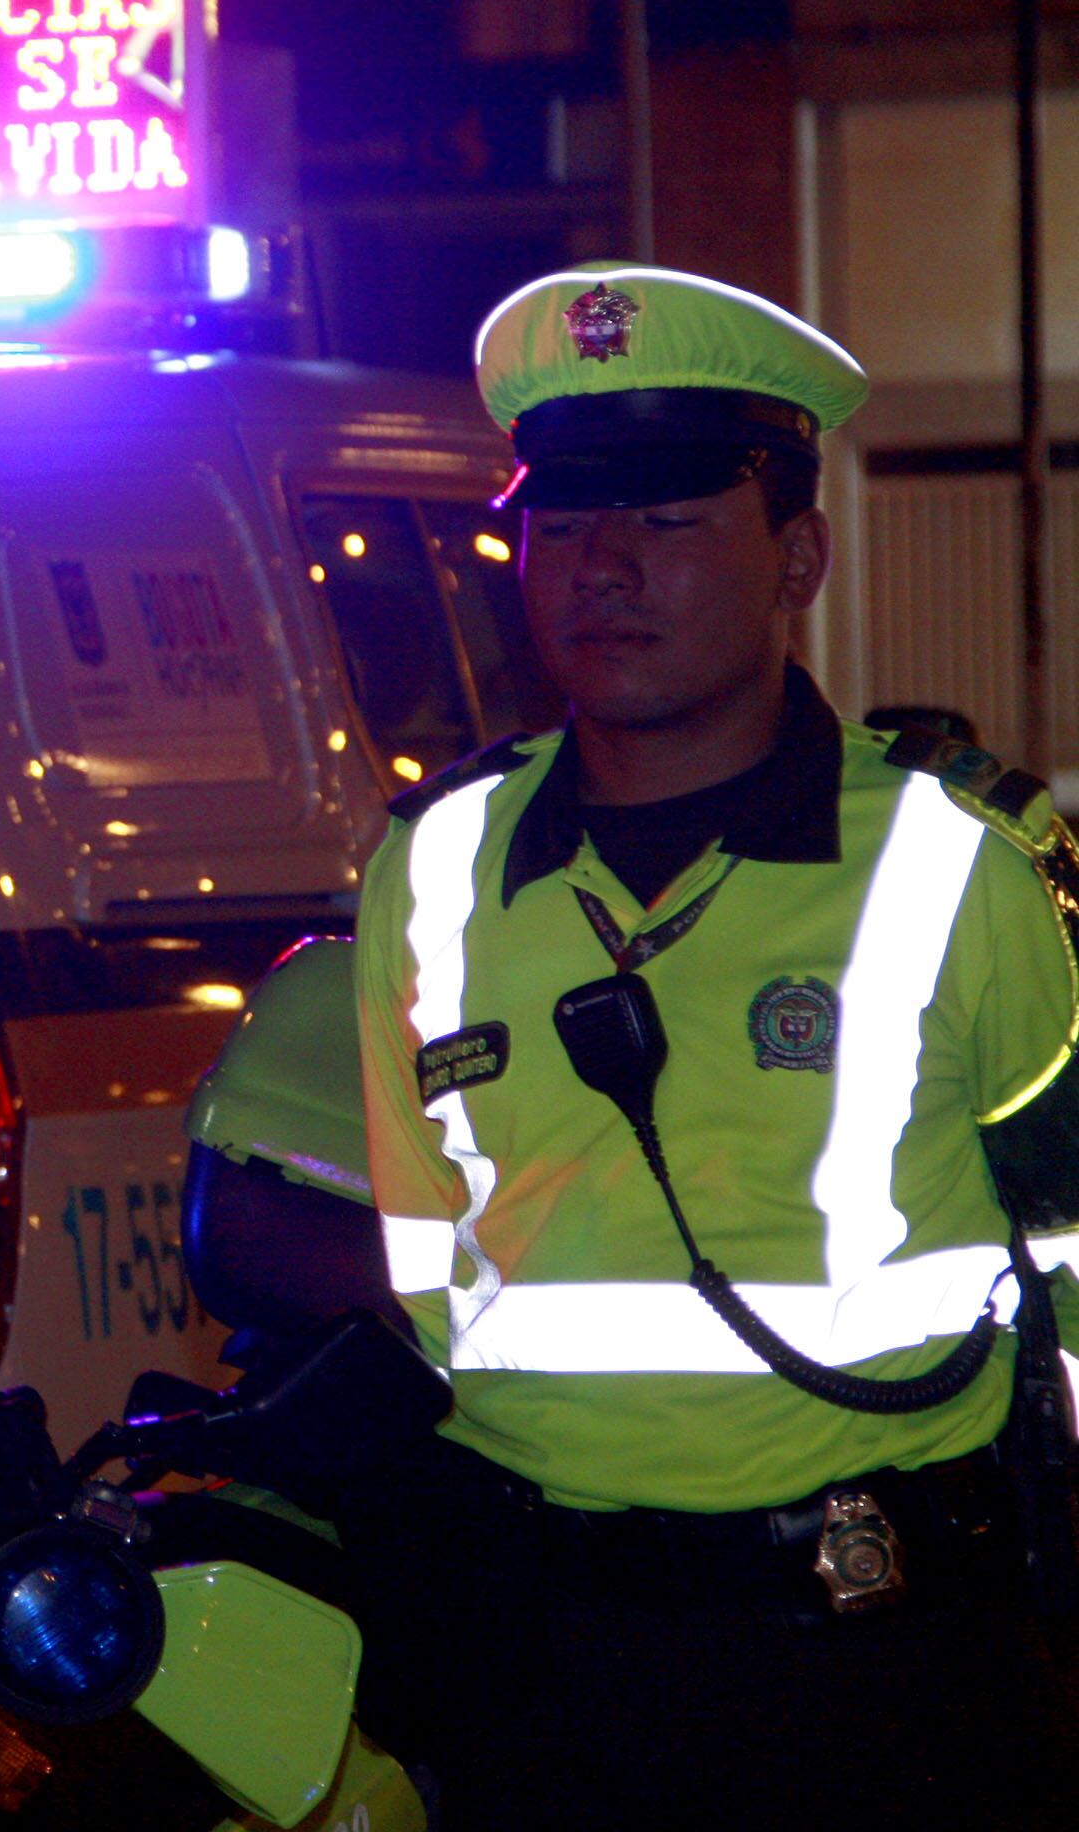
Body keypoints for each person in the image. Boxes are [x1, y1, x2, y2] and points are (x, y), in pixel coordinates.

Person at [349, 263, 1079, 1825]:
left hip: (877, 1659)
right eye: (562, 524)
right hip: (542, 1663)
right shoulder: (437, 862)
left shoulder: (962, 863)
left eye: (668, 521)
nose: (600, 568)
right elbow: (425, 1253)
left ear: (798, 553)